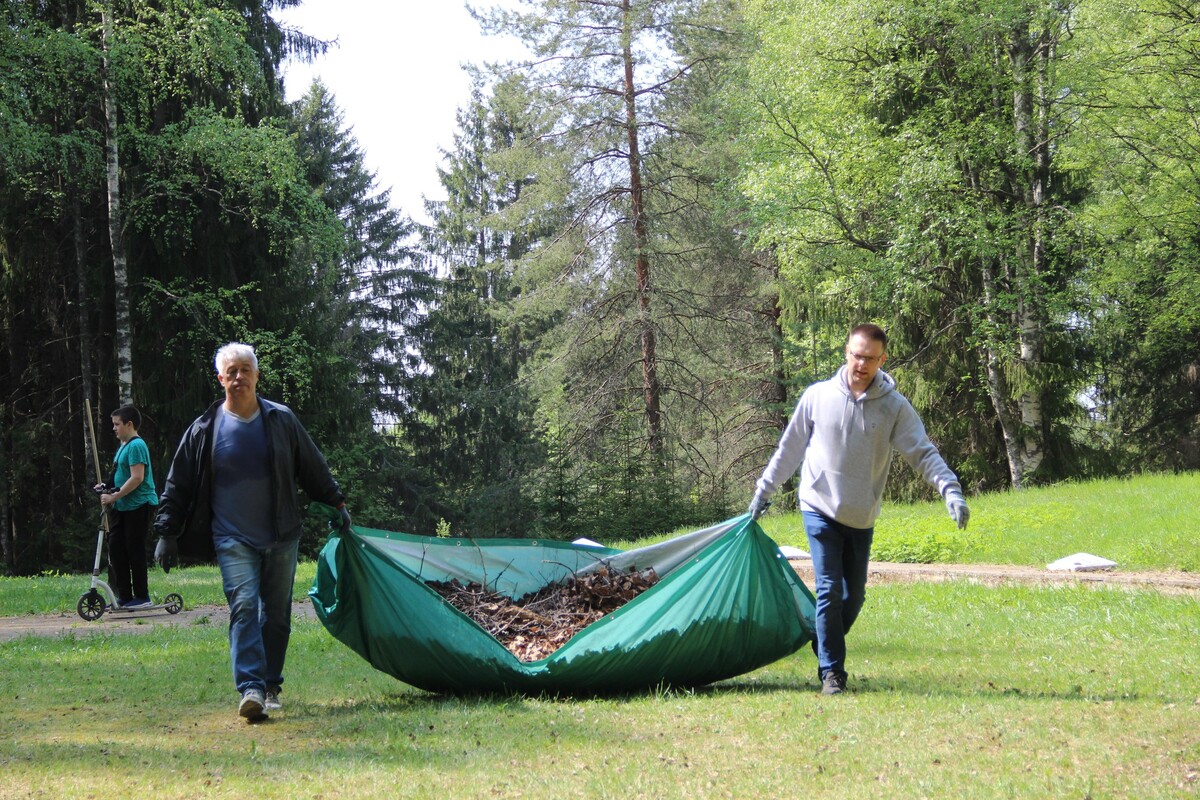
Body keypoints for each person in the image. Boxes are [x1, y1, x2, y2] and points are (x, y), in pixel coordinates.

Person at [748, 323, 969, 696]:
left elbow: (922, 452)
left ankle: (824, 643)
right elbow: (790, 448)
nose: (861, 363)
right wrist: (763, 490)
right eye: (856, 354)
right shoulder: (818, 396)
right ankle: (832, 673)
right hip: (818, 505)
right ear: (846, 352)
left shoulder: (894, 407)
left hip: (861, 514)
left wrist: (950, 490)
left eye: (870, 357)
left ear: (882, 360)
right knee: (830, 590)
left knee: (854, 598)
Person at [153, 342, 352, 721]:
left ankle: (271, 684)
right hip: (232, 538)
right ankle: (251, 689)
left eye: (245, 370)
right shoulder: (204, 430)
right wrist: (167, 531)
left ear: (257, 375)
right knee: (244, 606)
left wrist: (337, 504)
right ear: (220, 379)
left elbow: (312, 466)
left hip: (282, 535)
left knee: (276, 615)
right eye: (231, 372)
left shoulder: (281, 420)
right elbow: (177, 483)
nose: (239, 377)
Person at [96, 405, 158, 609]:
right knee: (116, 548)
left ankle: (142, 597)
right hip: (123, 506)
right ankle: (124, 596)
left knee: (134, 549)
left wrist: (114, 496)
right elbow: (119, 474)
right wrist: (106, 486)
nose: (113, 428)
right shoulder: (123, 445)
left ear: (129, 424)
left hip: (139, 504)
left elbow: (137, 478)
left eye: (116, 424)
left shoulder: (136, 445)